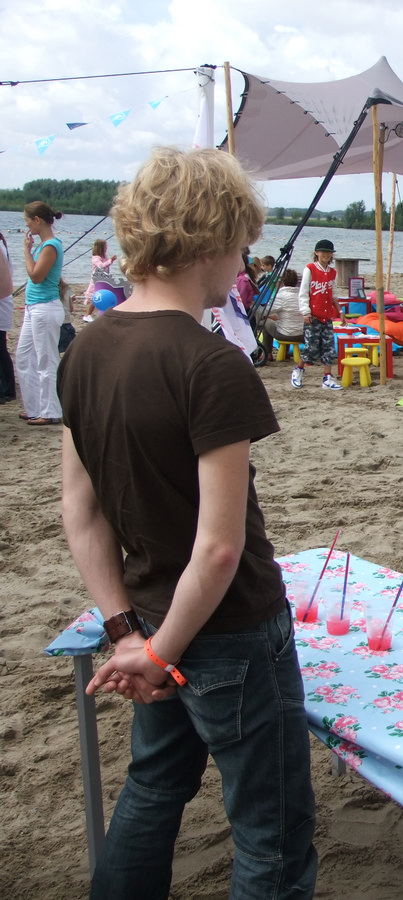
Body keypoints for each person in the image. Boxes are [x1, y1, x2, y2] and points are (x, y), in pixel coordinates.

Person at [57, 146, 317, 899]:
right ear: (212, 241)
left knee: (153, 785)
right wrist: (157, 654)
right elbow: (221, 548)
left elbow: (80, 510)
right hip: (231, 631)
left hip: (147, 616)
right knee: (272, 834)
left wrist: (130, 636)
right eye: (241, 245)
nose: (243, 263)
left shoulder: (86, 349)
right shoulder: (212, 363)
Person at [16, 200, 66, 426]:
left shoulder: (50, 246)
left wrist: (26, 252)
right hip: (33, 308)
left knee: (46, 360)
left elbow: (36, 276)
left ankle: (51, 411)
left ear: (37, 220)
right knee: (24, 357)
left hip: (45, 308)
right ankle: (34, 407)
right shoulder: (43, 245)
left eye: (28, 221)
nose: (27, 226)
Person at [292, 239, 342, 390]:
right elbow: (303, 292)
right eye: (323, 252)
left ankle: (327, 377)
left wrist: (340, 312)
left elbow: (334, 294)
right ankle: (298, 370)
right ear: (317, 253)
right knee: (311, 347)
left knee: (329, 347)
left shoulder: (332, 272)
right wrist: (305, 312)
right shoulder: (310, 269)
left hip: (327, 316)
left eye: (329, 252)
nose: (326, 255)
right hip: (313, 316)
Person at [262, 268, 304, 351]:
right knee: (285, 322)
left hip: (286, 334)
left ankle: (268, 352)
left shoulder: (281, 296)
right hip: (302, 334)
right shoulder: (302, 295)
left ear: (283, 282)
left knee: (266, 323)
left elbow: (267, 310)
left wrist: (270, 316)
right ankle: (286, 352)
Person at [81, 239, 119, 322]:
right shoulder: (95, 258)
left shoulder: (104, 257)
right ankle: (87, 315)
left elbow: (106, 265)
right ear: (101, 247)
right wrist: (110, 260)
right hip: (97, 280)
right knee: (96, 298)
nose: (106, 248)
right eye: (105, 247)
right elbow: (101, 266)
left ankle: (105, 314)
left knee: (105, 296)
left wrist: (110, 261)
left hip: (105, 280)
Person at [0, 232, 14, 404]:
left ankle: (6, 390)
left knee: (1, 349)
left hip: (3, 301)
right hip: (5, 300)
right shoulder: (2, 246)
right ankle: (8, 389)